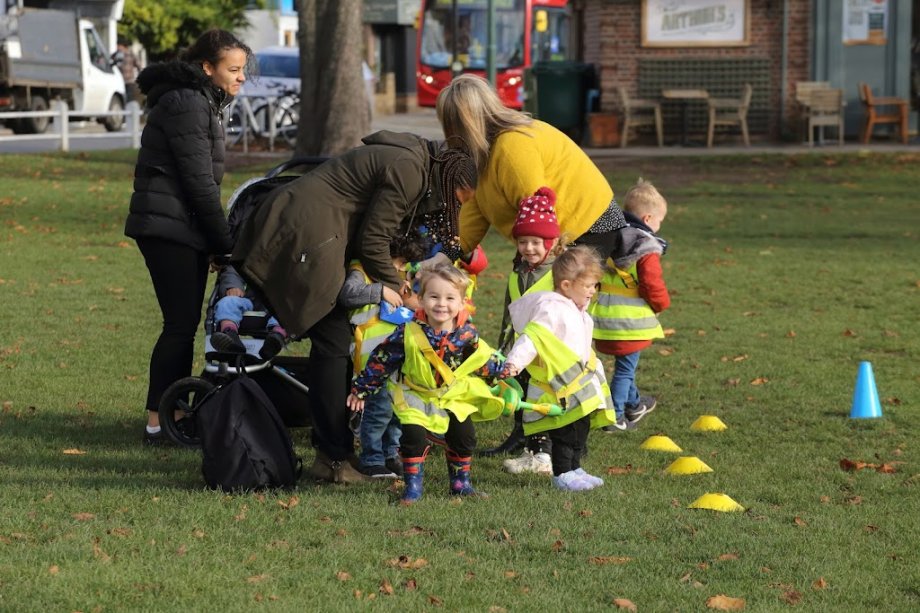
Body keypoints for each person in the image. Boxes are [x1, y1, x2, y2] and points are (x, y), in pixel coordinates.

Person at [231, 133, 478, 484]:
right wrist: (399, 291)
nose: (453, 208)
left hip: (310, 227)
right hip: (304, 234)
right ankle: (333, 459)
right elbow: (373, 239)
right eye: (456, 200)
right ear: (448, 179)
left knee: (333, 341)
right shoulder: (410, 171)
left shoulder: (418, 161)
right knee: (332, 342)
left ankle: (335, 453)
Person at [436, 74, 628, 452]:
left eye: (450, 125)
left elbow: (538, 208)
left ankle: (549, 434)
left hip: (583, 227)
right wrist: (443, 257)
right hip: (547, 239)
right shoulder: (485, 158)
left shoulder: (511, 147)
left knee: (545, 332)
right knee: (524, 327)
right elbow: (474, 215)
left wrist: (543, 267)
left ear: (464, 122)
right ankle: (528, 432)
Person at [125, 29, 251, 445]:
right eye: (233, 69)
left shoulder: (199, 101)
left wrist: (213, 243)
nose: (241, 77)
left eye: (242, 70)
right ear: (207, 67)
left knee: (182, 324)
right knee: (179, 326)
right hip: (168, 227)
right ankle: (159, 422)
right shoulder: (190, 103)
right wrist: (224, 245)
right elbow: (199, 185)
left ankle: (172, 413)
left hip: (179, 225)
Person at [346, 264, 506, 504]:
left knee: (464, 435)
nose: (441, 304)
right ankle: (413, 487)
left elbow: (480, 360)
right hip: (416, 394)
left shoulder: (466, 334)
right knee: (414, 437)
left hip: (452, 394)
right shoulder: (407, 332)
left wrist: (501, 372)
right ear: (420, 299)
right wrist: (361, 390)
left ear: (462, 303)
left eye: (450, 298)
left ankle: (460, 484)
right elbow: (382, 360)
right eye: (434, 297)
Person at [501, 246, 617, 491]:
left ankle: (575, 468)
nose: (592, 291)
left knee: (580, 427)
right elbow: (533, 338)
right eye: (588, 286)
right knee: (564, 430)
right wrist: (514, 363)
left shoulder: (576, 307)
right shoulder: (552, 309)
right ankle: (563, 473)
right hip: (557, 387)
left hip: (577, 383)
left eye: (594, 285)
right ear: (566, 285)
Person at [489, 187, 567, 475]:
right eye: (523, 242)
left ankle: (544, 455)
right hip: (522, 351)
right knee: (524, 399)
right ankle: (533, 451)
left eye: (536, 242)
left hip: (550, 354)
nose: (529, 248)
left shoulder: (560, 273)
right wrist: (503, 346)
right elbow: (509, 313)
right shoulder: (518, 272)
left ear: (552, 242)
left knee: (542, 402)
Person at [337, 232, 426, 479]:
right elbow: (348, 294)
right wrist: (380, 291)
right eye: (398, 262)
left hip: (396, 358)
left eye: (404, 265)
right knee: (378, 411)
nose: (399, 269)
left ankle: (390, 454)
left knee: (397, 410)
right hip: (371, 360)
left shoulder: (399, 277)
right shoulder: (361, 272)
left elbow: (410, 305)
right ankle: (372, 458)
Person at [592, 179, 670, 430]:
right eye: (660, 221)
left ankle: (634, 404)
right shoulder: (644, 247)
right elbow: (652, 283)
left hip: (603, 318)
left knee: (626, 365)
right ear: (648, 218)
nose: (659, 226)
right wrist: (661, 304)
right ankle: (615, 417)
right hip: (630, 321)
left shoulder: (609, 237)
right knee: (625, 370)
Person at [209, 264, 287, 360]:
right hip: (253, 302)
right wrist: (233, 286)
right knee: (227, 302)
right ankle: (229, 335)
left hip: (281, 305)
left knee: (290, 309)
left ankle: (275, 339)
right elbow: (235, 269)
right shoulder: (254, 255)